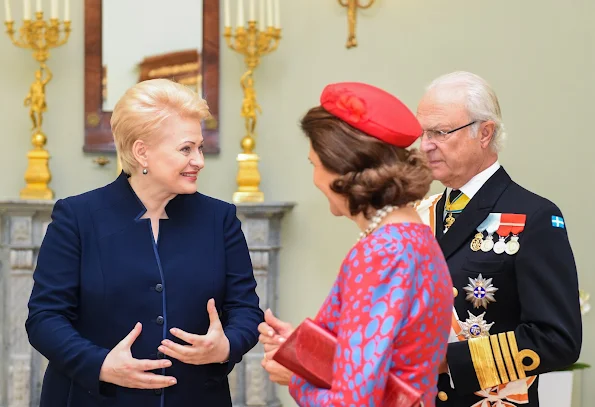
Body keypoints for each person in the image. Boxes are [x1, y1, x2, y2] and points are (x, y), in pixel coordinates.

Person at [25, 79, 263, 407]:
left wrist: (226, 346)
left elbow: (246, 310)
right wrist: (102, 365)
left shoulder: (220, 219)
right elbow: (44, 318)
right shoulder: (77, 217)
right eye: (186, 148)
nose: (199, 161)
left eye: (200, 148)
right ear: (142, 151)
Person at [258, 82, 454, 406]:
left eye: (313, 165)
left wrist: (296, 378)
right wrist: (302, 351)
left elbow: (354, 401)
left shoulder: (383, 252)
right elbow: (377, 362)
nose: (314, 179)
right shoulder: (412, 236)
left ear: (341, 169)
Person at [414, 71, 582, 406]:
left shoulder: (533, 217)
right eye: (423, 133)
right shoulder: (420, 213)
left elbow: (557, 340)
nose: (425, 145)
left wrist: (449, 361)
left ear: (484, 133)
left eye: (440, 132)